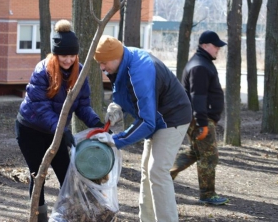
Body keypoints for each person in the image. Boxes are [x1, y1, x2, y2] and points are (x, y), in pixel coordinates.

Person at [92, 35, 192, 222]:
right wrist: (118, 106)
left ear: (115, 57)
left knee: (157, 171)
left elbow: (148, 122)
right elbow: (127, 91)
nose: (102, 68)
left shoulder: (140, 71)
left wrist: (116, 140)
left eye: (104, 63)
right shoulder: (123, 59)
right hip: (157, 116)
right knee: (147, 170)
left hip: (173, 117)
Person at [15, 20, 105, 222]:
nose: (68, 60)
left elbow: (82, 105)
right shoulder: (43, 71)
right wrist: (61, 130)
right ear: (56, 54)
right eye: (64, 55)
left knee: (68, 176)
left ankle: (71, 217)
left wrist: (95, 122)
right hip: (30, 130)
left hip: (56, 131)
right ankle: (39, 219)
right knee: (38, 177)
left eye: (72, 55)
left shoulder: (79, 71)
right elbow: (41, 108)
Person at [170, 30, 229, 205]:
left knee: (195, 152)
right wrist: (203, 123)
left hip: (199, 119)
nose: (218, 48)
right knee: (209, 157)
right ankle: (207, 195)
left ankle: (165, 174)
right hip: (200, 120)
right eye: (215, 45)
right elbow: (198, 96)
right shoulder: (199, 66)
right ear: (204, 45)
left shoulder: (202, 63)